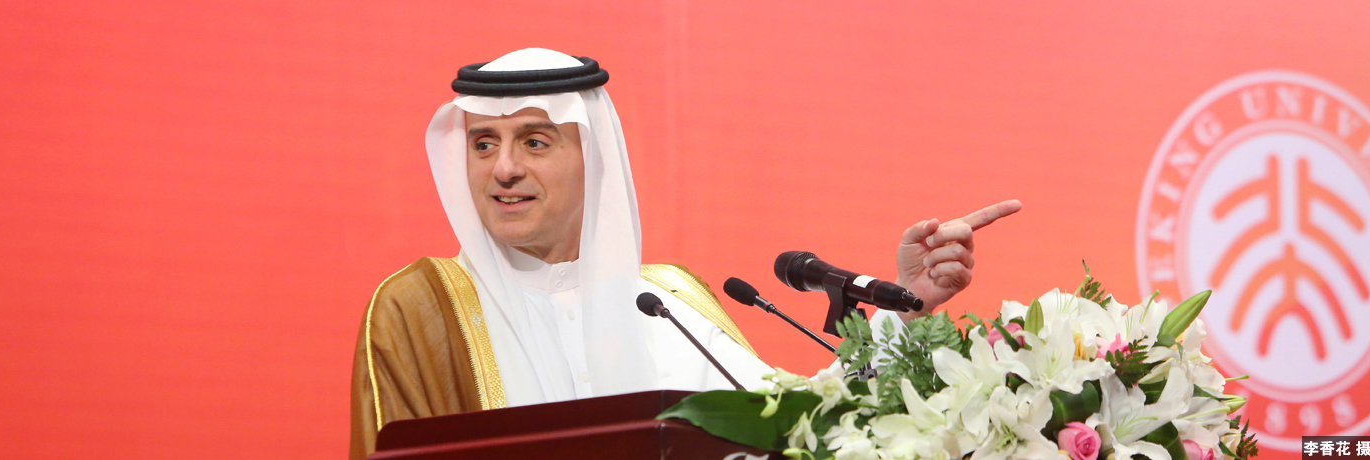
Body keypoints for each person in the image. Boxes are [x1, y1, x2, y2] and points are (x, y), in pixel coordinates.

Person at [349, 48, 1020, 459]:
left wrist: (906, 309)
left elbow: (796, 427)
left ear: (594, 160)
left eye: (535, 142)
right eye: (483, 145)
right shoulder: (422, 308)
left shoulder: (664, 299)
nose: (503, 169)